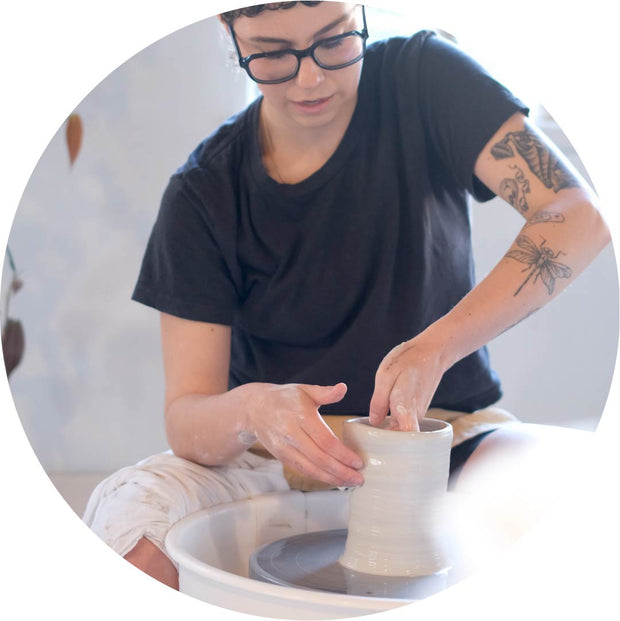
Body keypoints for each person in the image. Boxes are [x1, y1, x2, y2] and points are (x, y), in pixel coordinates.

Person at [83, 1, 609, 591]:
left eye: (334, 41)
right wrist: (256, 408)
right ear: (228, 30)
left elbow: (578, 214)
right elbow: (187, 416)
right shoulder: (203, 192)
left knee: (580, 495)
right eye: (274, 53)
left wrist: (434, 348)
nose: (311, 77)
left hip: (449, 438)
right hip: (270, 463)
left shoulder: (424, 77)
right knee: (133, 519)